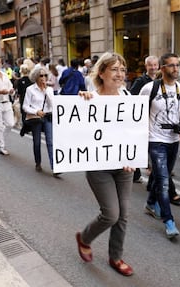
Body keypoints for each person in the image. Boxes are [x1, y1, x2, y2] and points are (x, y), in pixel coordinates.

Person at [75, 52, 135, 276]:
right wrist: (80, 103)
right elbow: (77, 131)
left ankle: (116, 257)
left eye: (122, 69)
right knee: (111, 214)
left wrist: (134, 156)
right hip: (99, 167)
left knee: (124, 214)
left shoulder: (129, 97)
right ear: (101, 73)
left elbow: (135, 131)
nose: (120, 74)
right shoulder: (89, 98)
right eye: (114, 69)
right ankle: (85, 237)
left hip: (123, 168)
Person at [140, 52, 180, 238]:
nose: (176, 69)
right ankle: (169, 221)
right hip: (155, 140)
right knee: (163, 181)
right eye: (171, 65)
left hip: (173, 140)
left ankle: (151, 203)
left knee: (163, 176)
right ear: (162, 68)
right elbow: (136, 112)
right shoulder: (149, 88)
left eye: (178, 65)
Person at [130, 55, 159, 183]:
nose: (153, 68)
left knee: (153, 145)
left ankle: (155, 167)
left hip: (155, 119)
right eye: (150, 65)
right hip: (142, 119)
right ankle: (136, 173)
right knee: (140, 146)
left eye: (155, 65)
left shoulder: (161, 80)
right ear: (146, 66)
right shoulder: (140, 81)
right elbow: (132, 98)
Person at [23, 67, 56, 176]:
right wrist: (36, 111)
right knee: (37, 142)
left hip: (48, 116)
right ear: (36, 77)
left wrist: (46, 91)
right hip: (36, 118)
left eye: (45, 75)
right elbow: (25, 106)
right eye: (41, 75)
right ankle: (38, 162)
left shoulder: (49, 89)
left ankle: (54, 167)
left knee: (50, 142)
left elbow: (52, 105)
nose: (43, 78)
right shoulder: (30, 89)